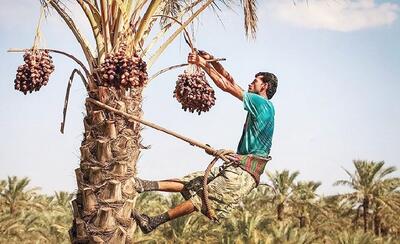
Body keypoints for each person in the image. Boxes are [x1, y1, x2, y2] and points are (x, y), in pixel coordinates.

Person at [132, 50, 278, 234]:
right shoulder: (260, 104)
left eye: (255, 81)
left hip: (244, 174)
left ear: (264, 86)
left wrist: (203, 65)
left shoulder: (261, 103)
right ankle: (142, 185)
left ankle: (152, 222)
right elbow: (230, 80)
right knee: (192, 182)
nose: (251, 82)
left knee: (201, 199)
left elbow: (226, 85)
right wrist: (212, 61)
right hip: (238, 165)